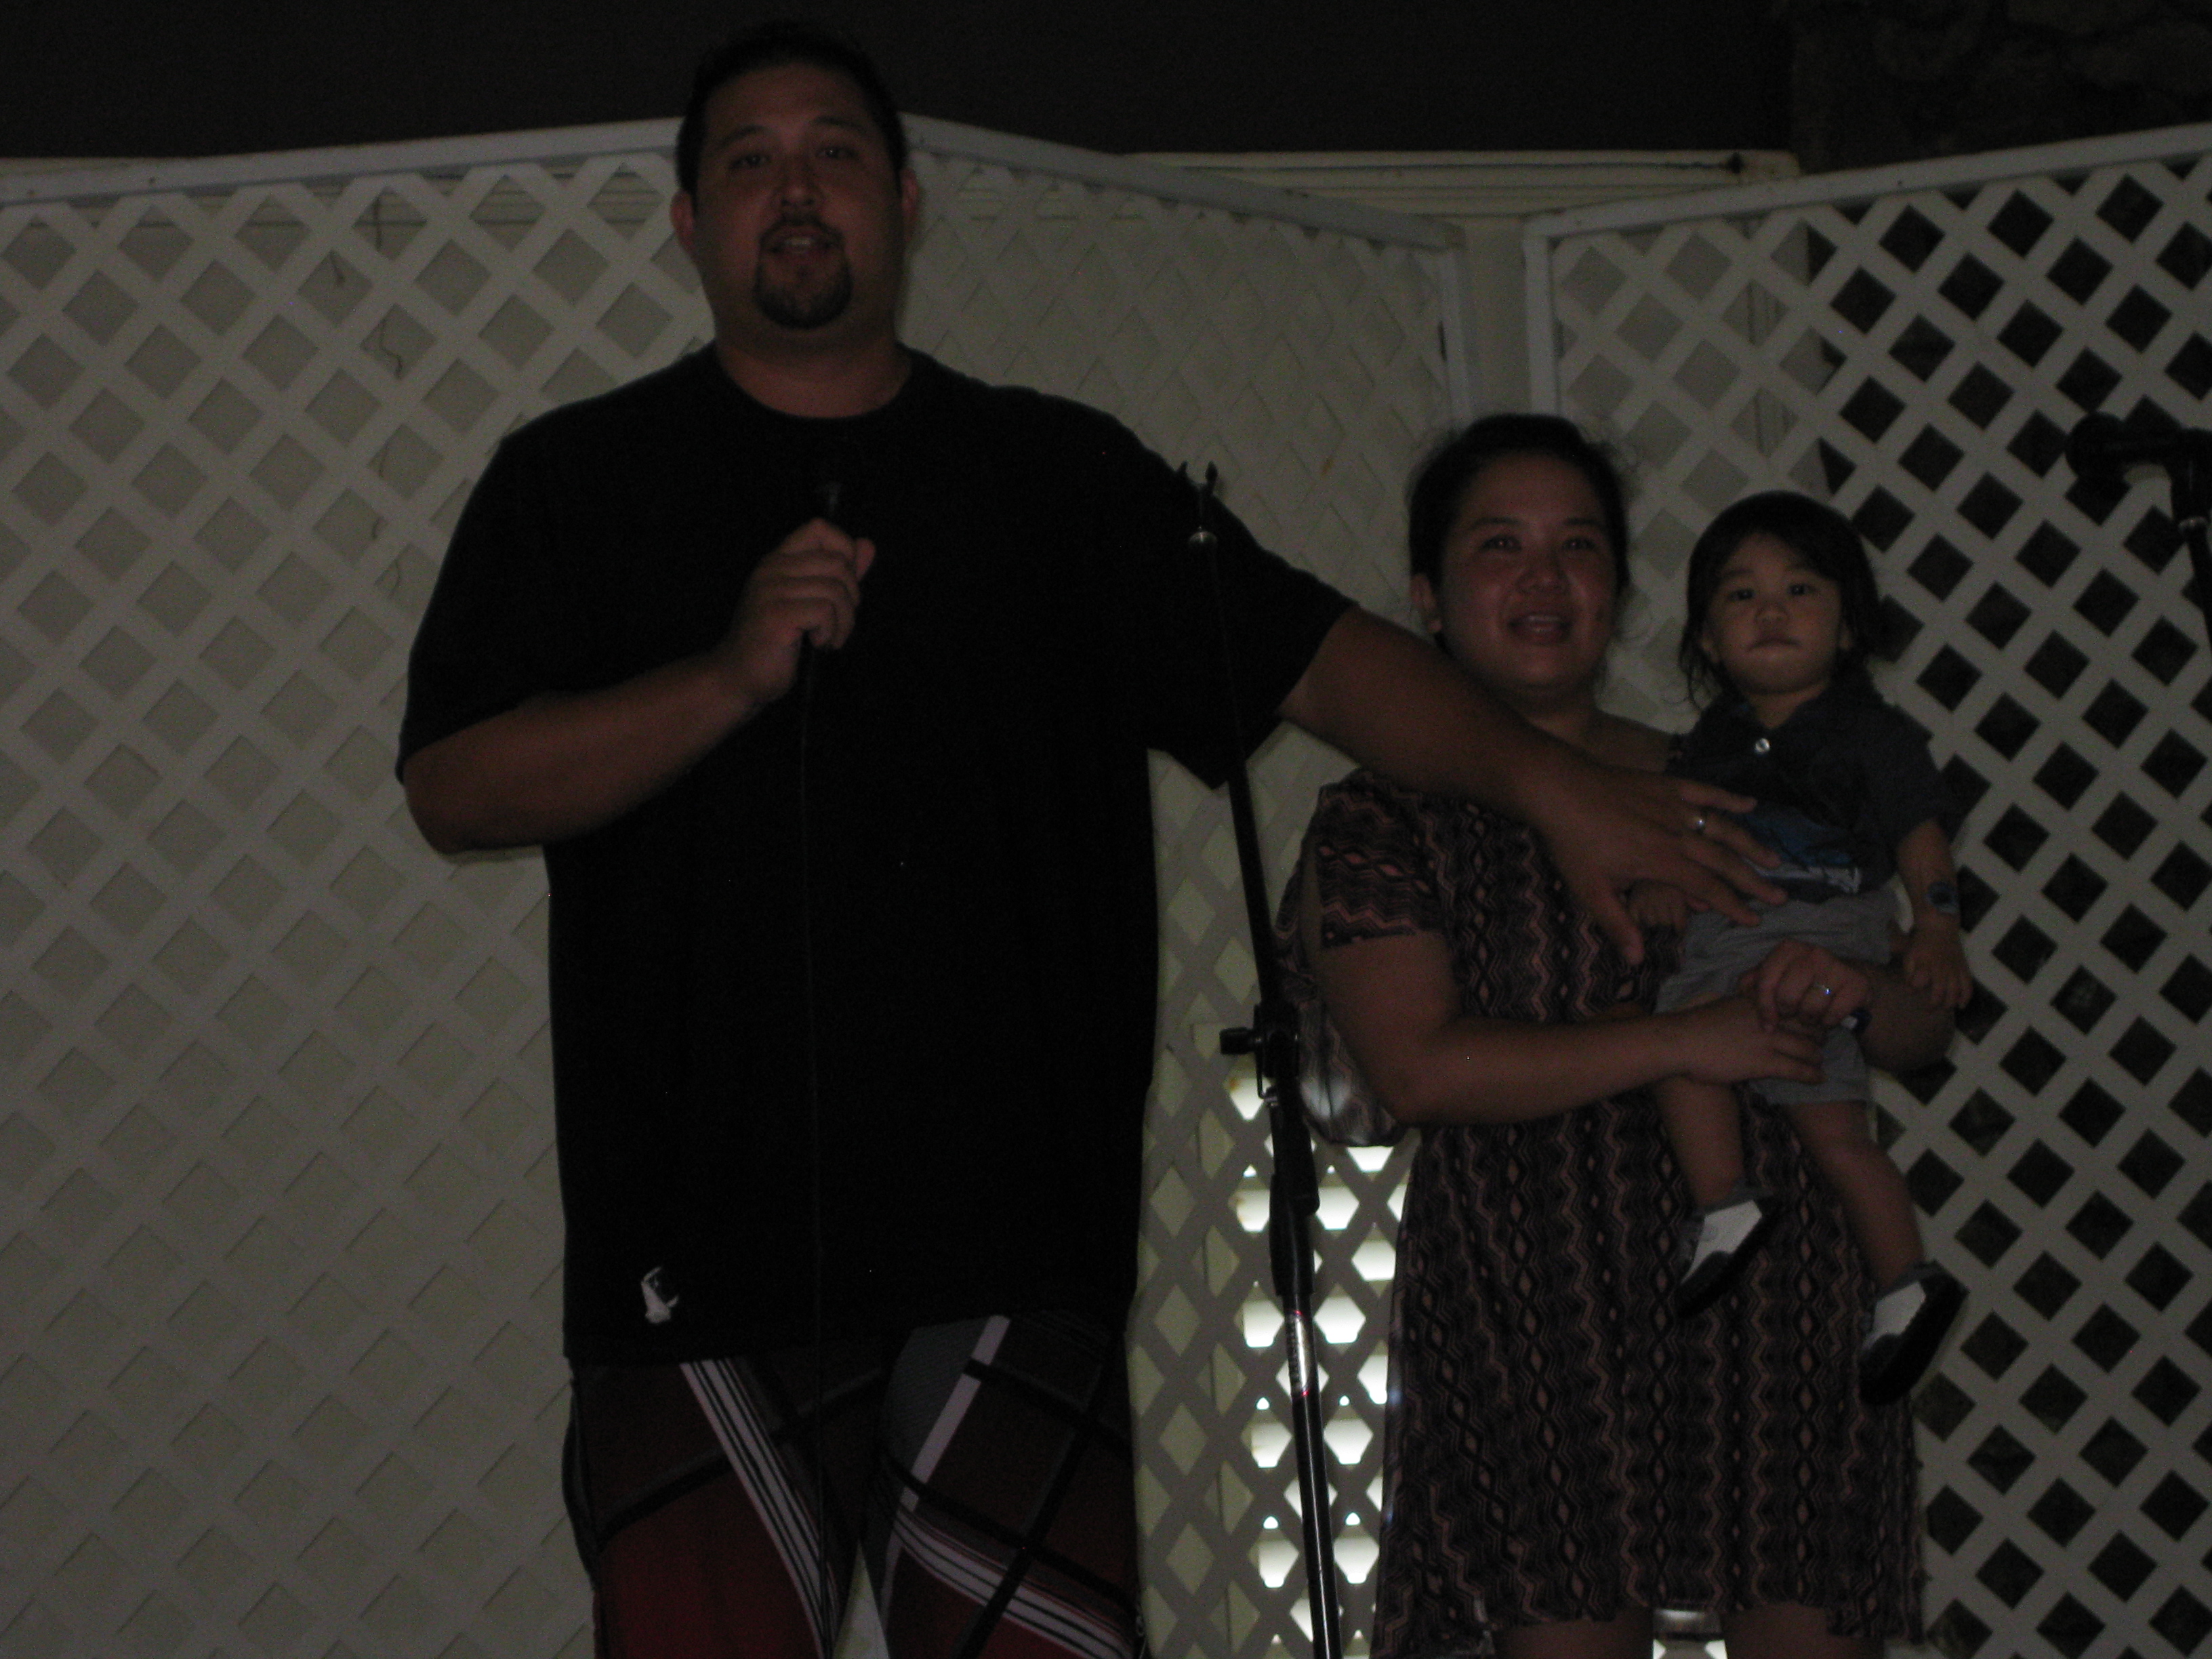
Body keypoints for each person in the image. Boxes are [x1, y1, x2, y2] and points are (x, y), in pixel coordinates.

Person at [398, 25, 1776, 1659]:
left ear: (907, 201)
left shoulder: (1057, 476)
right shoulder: (573, 484)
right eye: (749, 162)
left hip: (1012, 1249)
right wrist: (724, 680)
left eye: (835, 152)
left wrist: (1557, 790)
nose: (797, 189)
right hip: (694, 1260)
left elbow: (1325, 663)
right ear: (690, 222)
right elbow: (455, 787)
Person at [1284, 416, 1954, 1659]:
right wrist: (1687, 1039)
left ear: (1621, 591)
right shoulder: (1381, 820)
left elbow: (1918, 1028)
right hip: (1533, 1303)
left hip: (1776, 1288)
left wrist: (1854, 986)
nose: (1545, 580)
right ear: (1427, 596)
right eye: (1501, 546)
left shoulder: (1733, 779)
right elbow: (1420, 1069)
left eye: (1579, 547)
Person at [1637, 492, 1970, 1404]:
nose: (1771, 612)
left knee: (1710, 1060)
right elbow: (1686, 830)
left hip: (1821, 929)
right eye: (1741, 596)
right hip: (1735, 925)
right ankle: (1860, 1265)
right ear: (1708, 639)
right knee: (1799, 1110)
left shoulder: (1872, 732)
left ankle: (1754, 1216)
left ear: (1849, 625)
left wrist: (1937, 925)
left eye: (1800, 590)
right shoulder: (1707, 742)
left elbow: (1920, 836)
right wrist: (1667, 878)